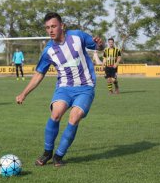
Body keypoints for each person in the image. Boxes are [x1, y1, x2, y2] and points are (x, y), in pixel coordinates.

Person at [16, 12, 104, 167]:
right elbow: (39, 74)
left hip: (85, 87)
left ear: (62, 26)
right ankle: (47, 153)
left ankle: (59, 155)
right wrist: (24, 93)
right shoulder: (48, 51)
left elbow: (98, 46)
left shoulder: (77, 36)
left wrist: (100, 44)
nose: (51, 30)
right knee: (56, 114)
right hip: (64, 87)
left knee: (74, 117)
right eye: (47, 28)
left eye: (54, 26)